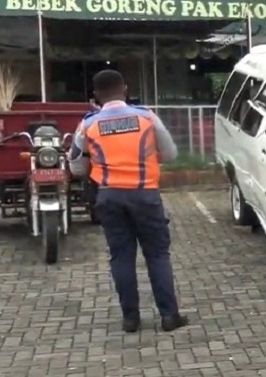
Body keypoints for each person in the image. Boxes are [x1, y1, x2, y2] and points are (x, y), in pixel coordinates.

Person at [68, 70, 188, 333]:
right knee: (157, 255)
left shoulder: (88, 124)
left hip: (109, 197)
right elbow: (170, 154)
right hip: (145, 194)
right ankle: (169, 316)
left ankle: (131, 319)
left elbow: (75, 165)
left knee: (121, 256)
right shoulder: (146, 117)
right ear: (125, 89)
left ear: (95, 95)